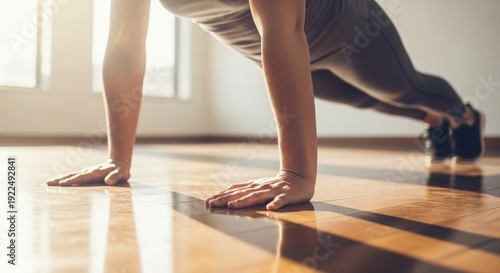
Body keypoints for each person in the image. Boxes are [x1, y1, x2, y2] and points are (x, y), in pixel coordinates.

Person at [46, 0, 485, 211]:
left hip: (345, 29)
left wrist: (296, 174)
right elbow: (124, 48)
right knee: (365, 103)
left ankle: (462, 116)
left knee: (402, 90)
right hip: (272, 49)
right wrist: (116, 157)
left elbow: (284, 25)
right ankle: (434, 124)